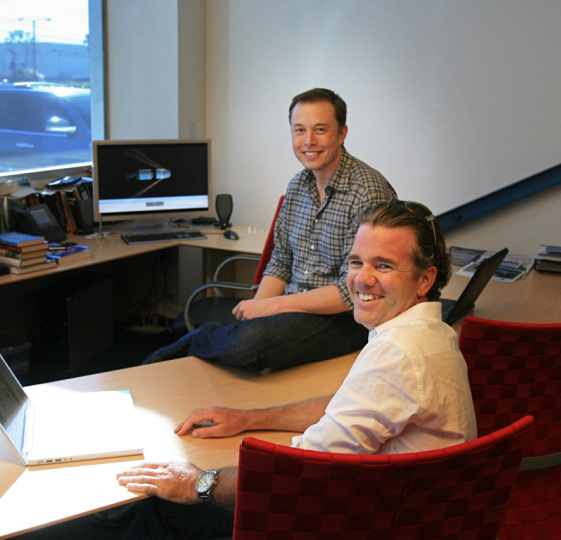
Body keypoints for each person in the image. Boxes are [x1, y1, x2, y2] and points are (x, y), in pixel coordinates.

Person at [104, 200, 478, 539]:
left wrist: (197, 482)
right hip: (414, 513)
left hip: (369, 522)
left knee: (161, 510)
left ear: (425, 279)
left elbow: (297, 473)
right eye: (356, 262)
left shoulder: (396, 353)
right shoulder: (432, 332)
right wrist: (249, 419)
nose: (362, 278)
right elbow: (347, 407)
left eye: (383, 265)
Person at [143, 88, 396, 370]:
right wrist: (255, 311)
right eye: (299, 130)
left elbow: (355, 289)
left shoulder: (367, 192)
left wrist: (271, 307)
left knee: (249, 345)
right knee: (247, 337)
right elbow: (282, 262)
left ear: (341, 133)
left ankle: (195, 341)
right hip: (295, 310)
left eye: (320, 129)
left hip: (347, 318)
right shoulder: (298, 186)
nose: (308, 141)